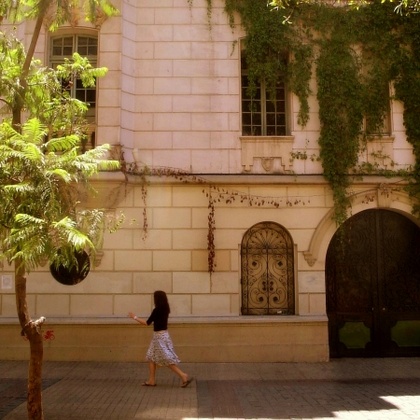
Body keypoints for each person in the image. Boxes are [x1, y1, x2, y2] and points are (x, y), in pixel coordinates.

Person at [128, 290, 193, 388]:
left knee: (165, 359)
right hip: (163, 335)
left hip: (159, 337)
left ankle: (183, 375)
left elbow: (147, 323)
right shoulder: (166, 308)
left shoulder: (157, 310)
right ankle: (151, 380)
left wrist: (134, 317)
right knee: (151, 357)